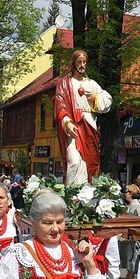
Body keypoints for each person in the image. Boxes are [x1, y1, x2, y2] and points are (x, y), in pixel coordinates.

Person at [54, 50, 113, 186]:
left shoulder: (92, 84)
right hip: (73, 123)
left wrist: (95, 98)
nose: (82, 65)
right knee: (74, 160)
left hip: (89, 124)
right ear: (73, 63)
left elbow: (108, 100)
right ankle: (71, 191)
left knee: (90, 159)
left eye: (84, 62)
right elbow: (60, 104)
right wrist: (66, 121)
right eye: (79, 62)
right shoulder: (64, 83)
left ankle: (87, 188)